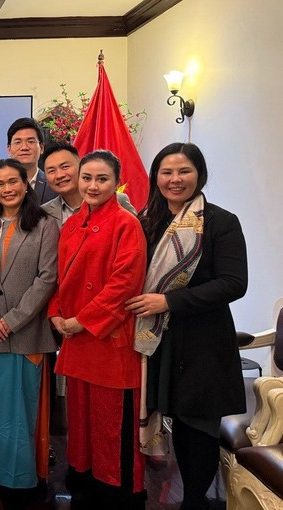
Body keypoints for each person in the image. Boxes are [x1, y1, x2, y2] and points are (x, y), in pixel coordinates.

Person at [126, 143, 247, 510]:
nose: (175, 179)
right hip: (161, 340)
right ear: (156, 177)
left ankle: (195, 500)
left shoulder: (220, 222)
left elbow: (233, 283)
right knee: (177, 422)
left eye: (184, 171)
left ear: (200, 174)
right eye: (167, 172)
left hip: (203, 344)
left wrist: (169, 301)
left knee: (200, 429)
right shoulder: (148, 220)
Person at [48, 150, 147, 508]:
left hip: (108, 341)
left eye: (101, 179)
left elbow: (125, 284)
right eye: (86, 178)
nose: (92, 185)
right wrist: (56, 313)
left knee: (111, 429)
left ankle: (116, 496)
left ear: (115, 182)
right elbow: (60, 279)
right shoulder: (72, 224)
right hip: (76, 340)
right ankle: (84, 487)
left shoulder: (126, 223)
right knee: (82, 426)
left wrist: (83, 320)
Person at [0, 158, 59, 493]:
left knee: (20, 411)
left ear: (26, 183)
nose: (6, 189)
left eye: (13, 182)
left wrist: (13, 319)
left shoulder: (45, 224)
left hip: (26, 333)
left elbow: (48, 278)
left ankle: (19, 478)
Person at [41, 142, 137, 225]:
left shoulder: (118, 201)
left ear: (81, 166)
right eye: (51, 171)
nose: (59, 175)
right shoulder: (44, 213)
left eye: (65, 167)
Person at [6, 117, 57, 204]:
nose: (24, 147)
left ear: (41, 148)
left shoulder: (54, 185)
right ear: (9, 149)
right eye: (18, 142)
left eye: (31, 141)